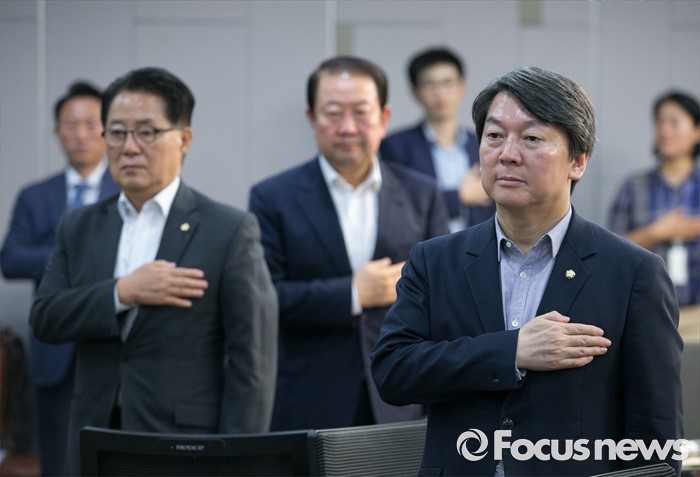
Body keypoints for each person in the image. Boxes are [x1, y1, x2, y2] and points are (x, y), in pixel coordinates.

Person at [372, 67, 683, 476]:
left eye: (532, 138)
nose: (507, 154)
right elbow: (393, 371)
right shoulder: (435, 260)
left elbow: (655, 440)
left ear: (577, 161)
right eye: (494, 136)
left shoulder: (633, 273)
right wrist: (511, 351)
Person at [29, 67, 278, 475]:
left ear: (184, 139)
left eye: (146, 132)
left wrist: (238, 459)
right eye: (116, 133)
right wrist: (122, 292)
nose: (129, 148)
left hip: (186, 444)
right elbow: (45, 317)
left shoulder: (228, 229)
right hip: (96, 439)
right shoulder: (79, 226)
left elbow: (253, 362)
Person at [249, 56, 449, 431]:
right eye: (332, 113)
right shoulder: (272, 197)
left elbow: (444, 299)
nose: (347, 127)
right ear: (312, 118)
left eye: (360, 112)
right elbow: (264, 300)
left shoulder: (422, 194)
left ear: (384, 118)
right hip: (309, 400)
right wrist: (353, 293)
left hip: (401, 400)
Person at [0, 81, 118, 476]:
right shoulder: (36, 196)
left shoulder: (127, 189)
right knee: (57, 461)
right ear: (57, 132)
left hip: (114, 344)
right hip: (55, 351)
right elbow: (11, 258)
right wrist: (71, 256)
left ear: (108, 130)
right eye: (71, 125)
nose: (80, 134)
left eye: (90, 124)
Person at [380, 47, 495, 232]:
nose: (440, 92)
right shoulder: (396, 146)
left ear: (462, 88)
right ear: (415, 92)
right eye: (429, 84)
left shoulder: (482, 144)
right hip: (423, 245)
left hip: (477, 245)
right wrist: (459, 197)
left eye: (448, 82)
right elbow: (398, 206)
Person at [608, 91, 700, 308]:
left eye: (674, 122)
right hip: (646, 309)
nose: (664, 129)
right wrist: (656, 233)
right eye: (659, 121)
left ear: (697, 131)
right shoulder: (634, 186)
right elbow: (609, 251)